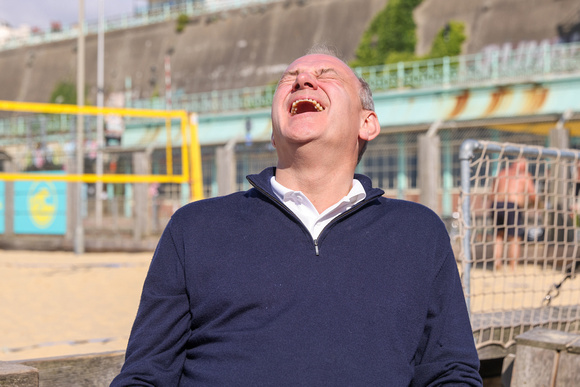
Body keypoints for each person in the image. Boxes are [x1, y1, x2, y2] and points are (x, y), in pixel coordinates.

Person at [111, 48, 482, 386]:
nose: (303, 81)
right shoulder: (195, 227)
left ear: (367, 123)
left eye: (327, 75)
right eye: (290, 78)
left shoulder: (418, 232)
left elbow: (450, 371)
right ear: (273, 131)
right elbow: (146, 375)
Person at [491, 158, 537, 270]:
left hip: (496, 205)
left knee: (498, 236)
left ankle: (497, 263)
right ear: (522, 165)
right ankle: (513, 266)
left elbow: (492, 192)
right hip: (512, 206)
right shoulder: (524, 176)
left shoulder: (502, 173)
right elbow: (533, 195)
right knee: (515, 237)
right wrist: (534, 205)